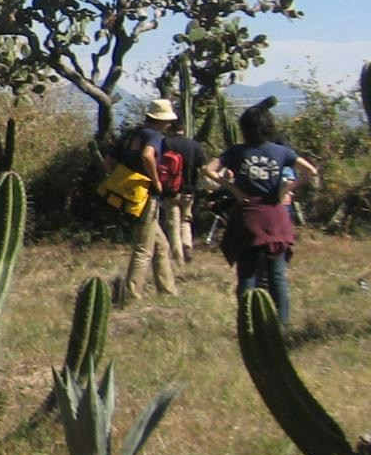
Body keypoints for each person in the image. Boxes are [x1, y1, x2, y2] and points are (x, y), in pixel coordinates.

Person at [205, 97, 318, 327]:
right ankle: (282, 327)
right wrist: (287, 188)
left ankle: (248, 326)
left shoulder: (236, 152)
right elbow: (310, 171)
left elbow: (208, 169)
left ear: (244, 128)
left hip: (248, 216)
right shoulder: (281, 151)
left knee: (247, 276)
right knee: (277, 277)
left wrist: (234, 190)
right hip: (276, 216)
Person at [116, 97, 179, 305]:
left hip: (128, 192)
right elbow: (147, 155)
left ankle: (168, 291)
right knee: (144, 248)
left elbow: (108, 162)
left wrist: (125, 179)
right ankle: (131, 295)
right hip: (147, 195)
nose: (169, 124)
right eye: (167, 120)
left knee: (161, 245)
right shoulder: (154, 136)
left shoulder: (130, 135)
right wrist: (157, 181)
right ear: (160, 120)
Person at [158, 111, 204, 264]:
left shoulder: (165, 143)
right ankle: (187, 244)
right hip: (189, 191)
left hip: (170, 190)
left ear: (171, 127)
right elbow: (203, 168)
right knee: (186, 221)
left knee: (173, 224)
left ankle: (179, 259)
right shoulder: (196, 146)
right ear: (184, 128)